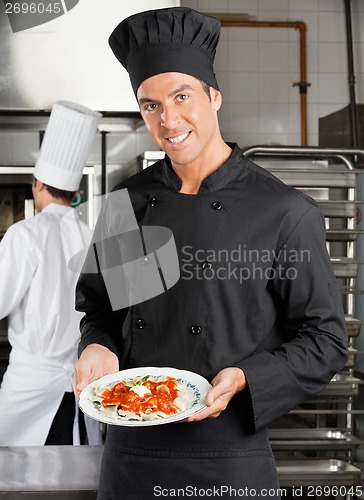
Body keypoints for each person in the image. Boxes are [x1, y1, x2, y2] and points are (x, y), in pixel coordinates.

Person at [73, 7, 348, 499]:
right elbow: (102, 310)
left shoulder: (282, 211)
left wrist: (247, 376)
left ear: (214, 96)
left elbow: (325, 340)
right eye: (150, 105)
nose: (168, 120)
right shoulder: (129, 203)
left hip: (229, 459)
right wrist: (98, 345)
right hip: (131, 456)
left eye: (182, 96)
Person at [0, 100, 101, 445]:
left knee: (15, 484)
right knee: (68, 480)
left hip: (29, 387)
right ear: (75, 193)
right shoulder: (91, 237)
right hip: (77, 390)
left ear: (37, 184)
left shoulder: (25, 234)